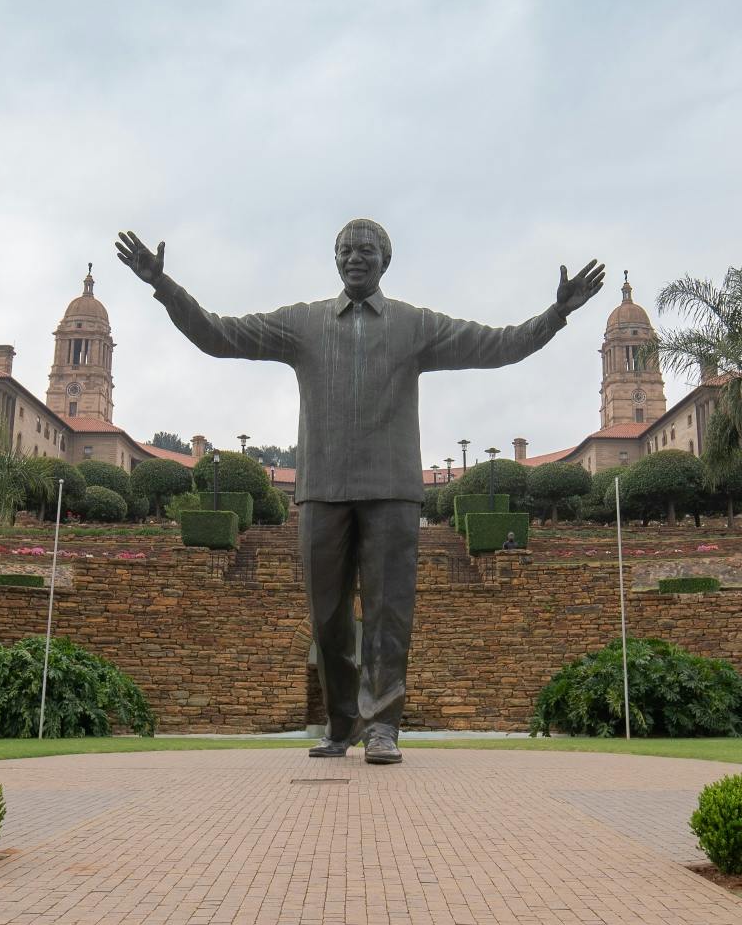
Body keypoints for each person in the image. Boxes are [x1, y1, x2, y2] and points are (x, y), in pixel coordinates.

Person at [119, 221, 602, 764]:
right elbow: (217, 334)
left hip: (393, 490)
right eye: (346, 250)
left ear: (384, 261)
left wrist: (556, 315)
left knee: (389, 614)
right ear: (335, 259)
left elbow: (498, 345)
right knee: (327, 617)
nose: (355, 258)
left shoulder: (415, 325)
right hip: (322, 489)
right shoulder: (301, 323)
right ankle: (342, 720)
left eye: (366, 251)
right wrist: (164, 287)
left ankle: (383, 727)